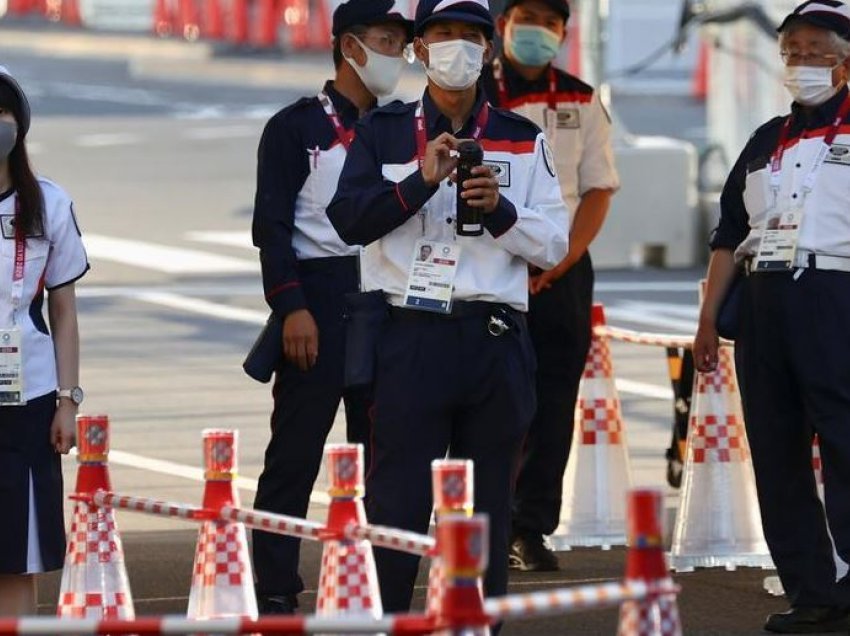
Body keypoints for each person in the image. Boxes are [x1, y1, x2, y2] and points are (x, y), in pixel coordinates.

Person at [327, 0, 569, 611]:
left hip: (494, 337)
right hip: (410, 334)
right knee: (398, 500)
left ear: (488, 49)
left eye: (469, 36)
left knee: (486, 505)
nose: (456, 47)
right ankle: (387, 619)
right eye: (441, 34)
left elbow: (555, 243)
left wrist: (503, 211)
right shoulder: (383, 130)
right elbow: (349, 221)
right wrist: (419, 183)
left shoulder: (521, 138)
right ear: (419, 48)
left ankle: (474, 623)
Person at [249, 0, 413, 615]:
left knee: (384, 452)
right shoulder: (295, 127)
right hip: (317, 299)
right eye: (386, 41)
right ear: (350, 47)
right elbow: (271, 227)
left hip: (387, 300)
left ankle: (373, 578)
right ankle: (273, 584)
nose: (396, 55)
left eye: (402, 43)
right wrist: (291, 306)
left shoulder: (403, 126)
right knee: (295, 451)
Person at [694, 2, 850, 632]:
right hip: (764, 298)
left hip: (836, 292)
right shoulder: (765, 140)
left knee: (844, 442)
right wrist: (708, 320)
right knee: (776, 449)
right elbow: (730, 234)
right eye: (792, 51)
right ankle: (814, 591)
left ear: (844, 62)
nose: (802, 62)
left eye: (817, 51)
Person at [479, 0, 619, 571]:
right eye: (525, 15)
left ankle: (528, 527)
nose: (537, 29)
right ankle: (478, 520)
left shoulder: (582, 100)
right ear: (503, 22)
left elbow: (599, 189)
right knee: (486, 400)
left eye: (551, 20)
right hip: (487, 266)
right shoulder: (474, 92)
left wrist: (558, 263)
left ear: (564, 31)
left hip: (560, 272)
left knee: (554, 403)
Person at [0, 66, 88, 615]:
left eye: (1, 115)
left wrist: (67, 401)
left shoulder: (49, 203)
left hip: (27, 399)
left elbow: (63, 310)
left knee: (17, 553)